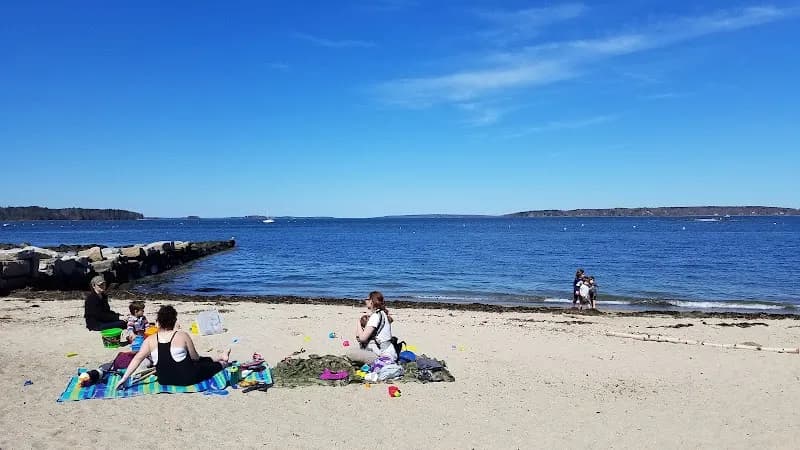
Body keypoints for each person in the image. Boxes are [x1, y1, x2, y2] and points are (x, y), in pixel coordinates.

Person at [116, 305, 230, 388]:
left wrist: (124, 378)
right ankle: (222, 363)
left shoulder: (150, 340)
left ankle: (220, 356)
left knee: (195, 361)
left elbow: (137, 358)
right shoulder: (182, 335)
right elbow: (195, 358)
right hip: (186, 379)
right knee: (205, 366)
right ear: (174, 321)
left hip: (164, 379)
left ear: (158, 322)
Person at [349, 291, 397, 364]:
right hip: (389, 352)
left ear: (371, 301)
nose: (365, 301)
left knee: (350, 353)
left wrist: (358, 323)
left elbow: (362, 338)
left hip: (383, 356)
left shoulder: (375, 316)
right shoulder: (383, 313)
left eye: (366, 299)